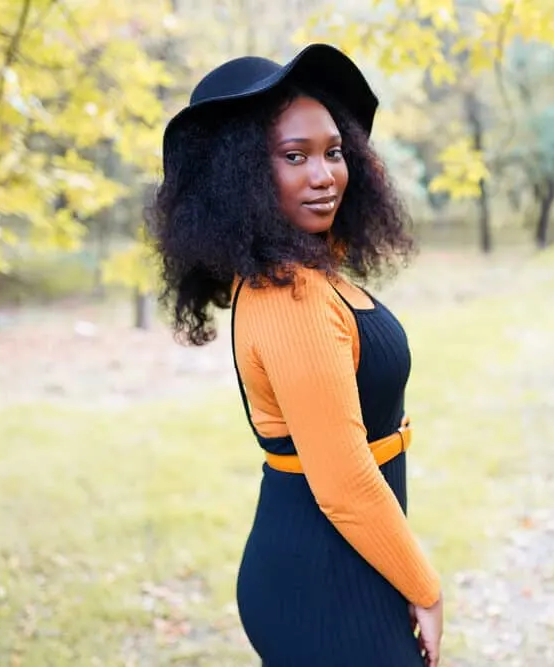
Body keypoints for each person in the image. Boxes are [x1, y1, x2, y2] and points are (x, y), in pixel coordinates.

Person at [148, 43, 444, 666]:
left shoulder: (311, 274)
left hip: (344, 559)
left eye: (334, 152)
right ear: (243, 180)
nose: (324, 174)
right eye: (293, 156)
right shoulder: (290, 295)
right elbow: (342, 483)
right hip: (321, 576)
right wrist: (427, 587)